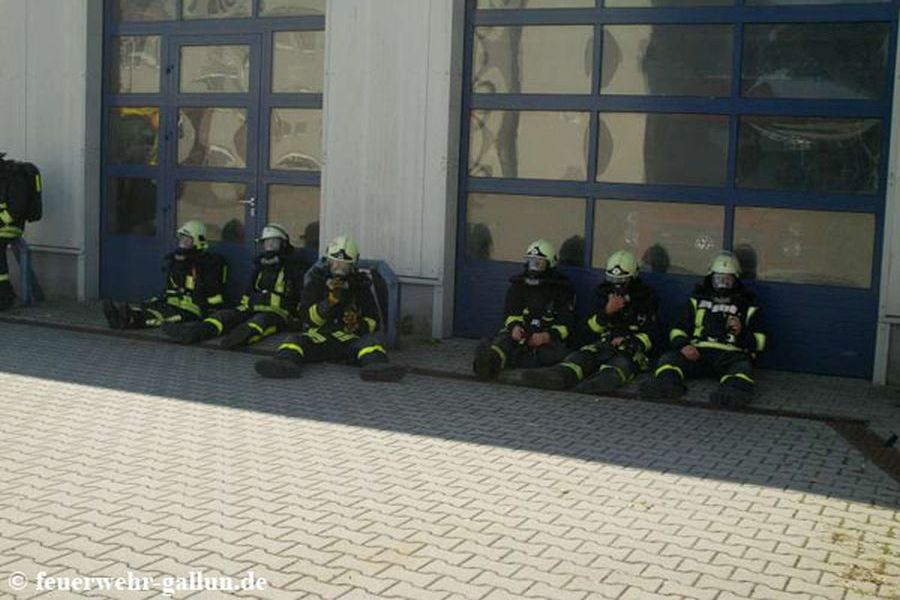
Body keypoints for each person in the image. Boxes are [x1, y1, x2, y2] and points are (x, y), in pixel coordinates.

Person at [254, 234, 406, 382]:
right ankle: (285, 365)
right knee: (294, 341)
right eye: (335, 262)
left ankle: (378, 368)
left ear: (353, 265)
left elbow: (373, 320)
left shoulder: (360, 287)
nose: (339, 266)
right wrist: (326, 305)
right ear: (328, 261)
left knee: (370, 345)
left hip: (348, 339)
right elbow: (306, 316)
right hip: (318, 337)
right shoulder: (316, 283)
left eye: (344, 263)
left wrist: (357, 324)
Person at [639, 251, 767, 407]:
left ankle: (732, 395)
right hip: (697, 353)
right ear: (710, 278)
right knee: (668, 360)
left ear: (736, 280)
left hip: (730, 355)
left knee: (742, 368)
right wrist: (684, 345)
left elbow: (760, 341)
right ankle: (667, 386)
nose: (722, 285)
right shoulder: (697, 299)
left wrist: (742, 332)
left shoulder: (748, 304)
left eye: (727, 280)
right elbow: (677, 328)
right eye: (718, 280)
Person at [523, 249, 658, 394]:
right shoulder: (602, 294)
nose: (616, 286)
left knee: (621, 364)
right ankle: (558, 376)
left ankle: (600, 384)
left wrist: (629, 342)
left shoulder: (646, 298)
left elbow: (652, 334)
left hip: (631, 349)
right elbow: (587, 330)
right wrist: (606, 312)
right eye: (612, 280)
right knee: (581, 357)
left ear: (633, 277)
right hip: (604, 343)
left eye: (622, 282)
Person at [162, 223, 307, 349]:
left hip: (278, 312)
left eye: (273, 242)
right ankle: (193, 333)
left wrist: (297, 317)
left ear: (284, 243)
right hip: (251, 307)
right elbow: (250, 289)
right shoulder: (260, 264)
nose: (269, 246)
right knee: (224, 316)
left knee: (260, 323)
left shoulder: (294, 265)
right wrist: (243, 306)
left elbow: (300, 292)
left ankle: (237, 338)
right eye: (266, 242)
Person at [472, 239, 575, 380]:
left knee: (556, 354)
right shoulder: (518, 285)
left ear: (550, 264)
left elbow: (566, 324)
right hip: (520, 335)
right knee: (503, 341)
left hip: (545, 338)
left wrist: (546, 336)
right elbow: (511, 313)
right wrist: (515, 328)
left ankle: (533, 372)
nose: (534, 268)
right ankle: (488, 364)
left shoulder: (562, 289)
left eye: (539, 263)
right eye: (531, 262)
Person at [103, 220, 228, 329]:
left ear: (198, 240)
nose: (182, 243)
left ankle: (130, 319)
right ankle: (120, 316)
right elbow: (173, 285)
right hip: (174, 302)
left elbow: (209, 291)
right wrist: (180, 262)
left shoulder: (208, 263)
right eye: (182, 238)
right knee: (151, 306)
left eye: (187, 239)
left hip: (193, 309)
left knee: (162, 317)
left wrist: (208, 311)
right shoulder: (179, 258)